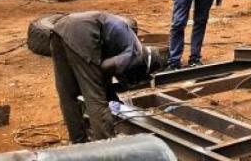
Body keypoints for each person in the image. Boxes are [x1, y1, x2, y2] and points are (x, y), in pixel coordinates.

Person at [50, 11, 165, 143]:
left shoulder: (128, 40)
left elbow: (107, 75)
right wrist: (97, 81)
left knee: (68, 94)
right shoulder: (136, 53)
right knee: (95, 99)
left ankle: (78, 141)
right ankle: (106, 146)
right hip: (83, 34)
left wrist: (112, 96)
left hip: (59, 30)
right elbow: (104, 68)